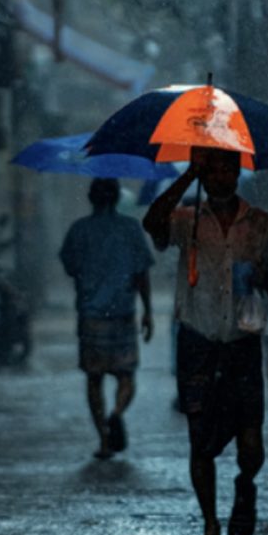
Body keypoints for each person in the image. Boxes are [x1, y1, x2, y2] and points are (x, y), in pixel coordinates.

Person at [142, 147, 268, 535]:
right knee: (199, 441)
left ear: (238, 171)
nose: (220, 176)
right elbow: (151, 222)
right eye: (212, 168)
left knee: (251, 445)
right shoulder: (186, 221)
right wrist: (187, 176)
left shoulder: (261, 225)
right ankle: (210, 525)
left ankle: (245, 486)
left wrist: (261, 276)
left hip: (242, 344)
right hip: (198, 344)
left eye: (228, 167)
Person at [60, 178, 155, 460]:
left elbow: (70, 266)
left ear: (91, 198)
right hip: (123, 314)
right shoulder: (130, 229)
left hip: (91, 316)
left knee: (94, 378)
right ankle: (116, 412)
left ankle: (103, 439)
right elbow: (142, 273)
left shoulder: (79, 230)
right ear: (116, 198)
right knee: (126, 375)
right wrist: (147, 310)